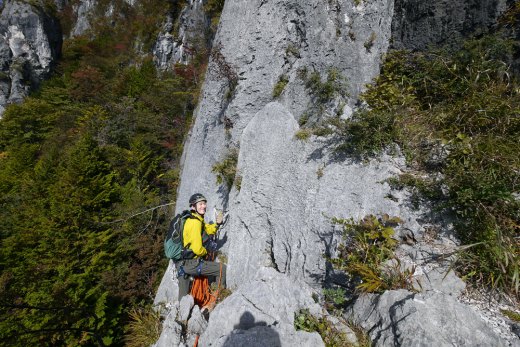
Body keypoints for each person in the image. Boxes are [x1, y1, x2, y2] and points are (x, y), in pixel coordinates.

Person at [176, 193, 227, 311]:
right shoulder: (194, 223)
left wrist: (217, 224)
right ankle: (216, 300)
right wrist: (207, 251)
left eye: (204, 204)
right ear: (193, 206)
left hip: (182, 265)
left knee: (183, 304)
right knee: (222, 269)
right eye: (200, 204)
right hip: (191, 263)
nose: (203, 206)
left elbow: (207, 230)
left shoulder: (196, 218)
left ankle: (183, 320)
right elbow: (197, 249)